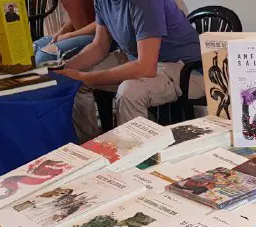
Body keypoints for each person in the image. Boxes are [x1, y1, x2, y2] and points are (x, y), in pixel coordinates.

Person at [58, 0, 203, 143]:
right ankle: (89, 146)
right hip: (138, 58)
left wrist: (86, 77)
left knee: (129, 92)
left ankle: (138, 154)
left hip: (186, 68)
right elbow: (99, 46)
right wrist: (64, 69)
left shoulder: (145, 3)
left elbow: (146, 67)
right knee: (73, 83)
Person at [33, 0, 96, 65]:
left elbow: (101, 22)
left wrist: (69, 35)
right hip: (80, 32)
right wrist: (63, 30)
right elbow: (80, 15)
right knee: (33, 48)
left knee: (42, 57)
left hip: (98, 35)